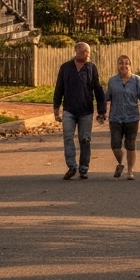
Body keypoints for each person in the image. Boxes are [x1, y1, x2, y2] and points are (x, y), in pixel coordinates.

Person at [53, 42, 106, 180]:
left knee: (85, 139)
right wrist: (56, 108)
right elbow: (59, 88)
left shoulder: (91, 68)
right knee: (68, 137)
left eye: (88, 52)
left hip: (86, 110)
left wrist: (101, 111)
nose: (87, 54)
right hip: (69, 110)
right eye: (84, 52)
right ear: (76, 51)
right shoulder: (65, 68)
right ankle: (72, 166)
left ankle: (84, 168)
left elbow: (97, 89)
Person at [106, 54, 140, 180]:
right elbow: (106, 97)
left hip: (132, 117)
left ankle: (130, 171)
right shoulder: (112, 81)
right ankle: (121, 163)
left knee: (130, 144)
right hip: (115, 117)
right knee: (115, 144)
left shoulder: (136, 80)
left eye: (126, 63)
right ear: (117, 66)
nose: (123, 65)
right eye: (121, 63)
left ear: (130, 66)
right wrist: (101, 112)